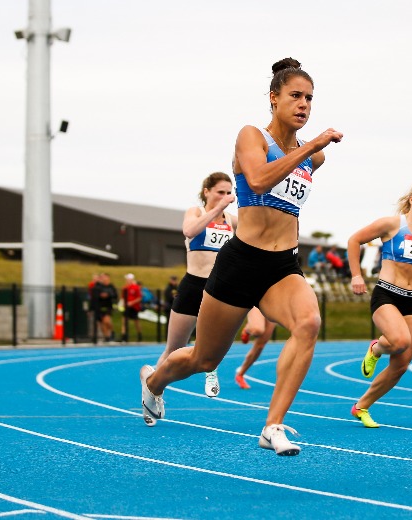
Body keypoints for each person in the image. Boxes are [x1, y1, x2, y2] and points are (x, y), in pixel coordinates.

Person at [140, 57, 342, 457]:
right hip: (241, 261)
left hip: (282, 266)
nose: (304, 105)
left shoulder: (310, 156)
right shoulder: (252, 136)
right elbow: (259, 179)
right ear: (274, 98)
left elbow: (289, 204)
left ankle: (272, 425)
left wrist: (309, 150)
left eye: (310, 99)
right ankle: (154, 382)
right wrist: (313, 145)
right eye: (295, 96)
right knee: (203, 357)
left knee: (309, 323)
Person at [347, 182, 412, 428]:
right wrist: (356, 275)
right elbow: (355, 240)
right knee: (399, 340)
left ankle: (361, 406)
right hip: (387, 294)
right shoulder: (393, 224)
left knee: (401, 365)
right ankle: (376, 348)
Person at [154, 172, 237, 398]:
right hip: (193, 286)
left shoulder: (232, 220)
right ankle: (153, 388)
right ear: (207, 192)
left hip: (218, 288)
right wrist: (217, 208)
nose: (225, 196)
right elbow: (189, 231)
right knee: (174, 349)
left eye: (229, 193)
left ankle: (211, 369)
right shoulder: (196, 212)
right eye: (220, 192)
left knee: (212, 343)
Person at [235, 306, 277, 389]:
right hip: (257, 299)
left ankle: (240, 374)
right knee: (257, 329)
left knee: (260, 345)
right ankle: (248, 329)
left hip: (273, 304)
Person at [91, 273, 117, 342]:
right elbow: (95, 295)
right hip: (100, 306)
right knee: (102, 322)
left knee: (107, 321)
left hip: (108, 306)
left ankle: (112, 331)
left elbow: (115, 295)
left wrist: (108, 295)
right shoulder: (98, 287)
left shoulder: (111, 286)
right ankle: (106, 336)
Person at [121, 273, 143, 342]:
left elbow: (139, 298)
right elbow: (122, 297)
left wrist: (132, 302)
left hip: (134, 307)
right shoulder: (125, 287)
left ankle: (139, 335)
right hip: (127, 307)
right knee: (124, 321)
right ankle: (123, 337)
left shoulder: (136, 287)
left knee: (136, 322)